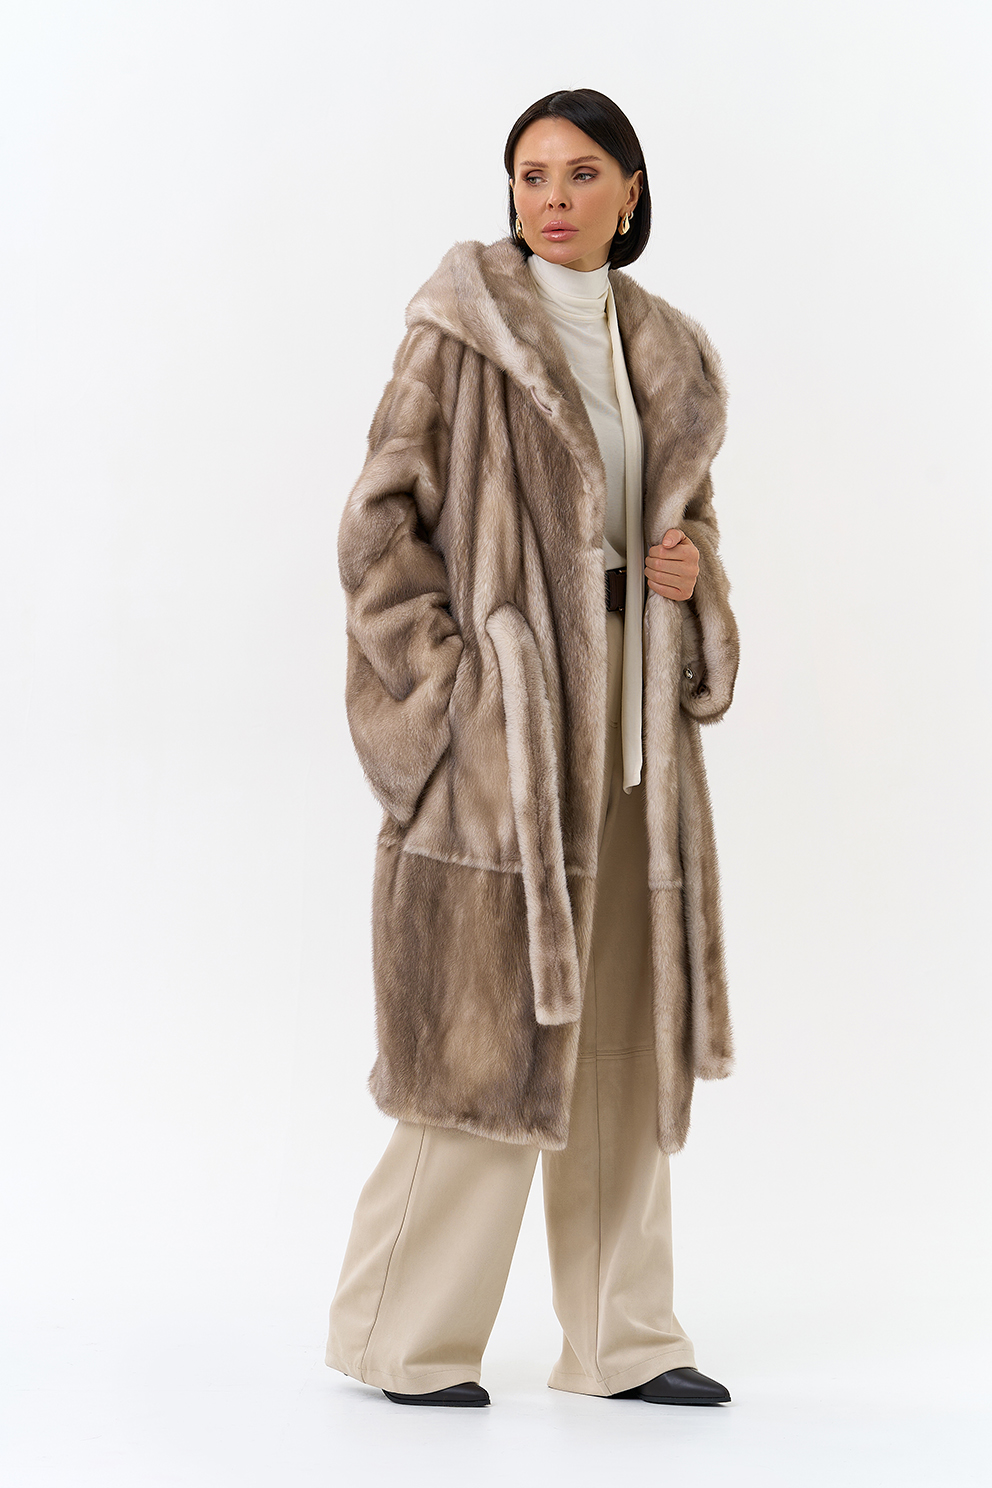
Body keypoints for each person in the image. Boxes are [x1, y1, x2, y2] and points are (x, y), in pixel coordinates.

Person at [326, 88, 740, 1409]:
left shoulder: (665, 350)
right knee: (481, 1043)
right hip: (508, 746)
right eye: (530, 175)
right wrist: (452, 703)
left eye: (580, 172)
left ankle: (626, 1342)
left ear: (631, 190)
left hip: (633, 739)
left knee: (620, 1040)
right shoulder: (461, 333)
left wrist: (690, 578)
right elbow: (379, 530)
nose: (551, 197)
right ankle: (400, 1340)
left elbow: (690, 530)